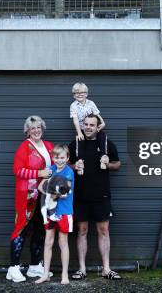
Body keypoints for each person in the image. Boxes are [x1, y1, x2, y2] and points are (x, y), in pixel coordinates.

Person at [69, 114, 122, 280]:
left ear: (98, 126)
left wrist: (108, 164)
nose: (88, 127)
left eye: (92, 124)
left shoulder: (106, 144)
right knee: (82, 231)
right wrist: (73, 166)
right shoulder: (75, 144)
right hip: (80, 195)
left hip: (101, 195)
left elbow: (117, 164)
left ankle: (106, 269)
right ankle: (82, 269)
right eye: (86, 124)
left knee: (103, 231)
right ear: (82, 125)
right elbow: (64, 164)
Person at [6, 115, 54, 283]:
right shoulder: (24, 147)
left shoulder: (49, 146)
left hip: (45, 195)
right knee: (21, 229)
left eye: (39, 127)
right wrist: (39, 173)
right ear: (27, 131)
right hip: (27, 195)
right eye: (32, 128)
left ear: (42, 128)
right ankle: (13, 268)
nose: (36, 130)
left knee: (40, 230)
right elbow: (18, 171)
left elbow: (58, 164)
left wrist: (73, 166)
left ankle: (35, 266)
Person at [35, 144, 74, 285]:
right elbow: (40, 187)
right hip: (50, 212)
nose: (59, 160)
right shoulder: (50, 169)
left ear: (67, 158)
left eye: (62, 157)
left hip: (64, 212)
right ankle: (45, 274)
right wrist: (50, 194)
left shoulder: (69, 172)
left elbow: (64, 194)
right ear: (53, 157)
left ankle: (64, 275)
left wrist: (51, 192)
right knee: (48, 242)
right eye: (56, 157)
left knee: (63, 242)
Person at [70, 82, 107, 151]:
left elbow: (96, 114)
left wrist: (103, 123)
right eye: (77, 93)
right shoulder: (73, 106)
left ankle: (103, 154)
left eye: (82, 92)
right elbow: (75, 120)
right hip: (82, 128)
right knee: (80, 140)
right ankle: (80, 159)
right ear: (74, 95)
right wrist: (79, 132)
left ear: (86, 94)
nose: (79, 94)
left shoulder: (91, 103)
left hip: (93, 128)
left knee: (102, 136)